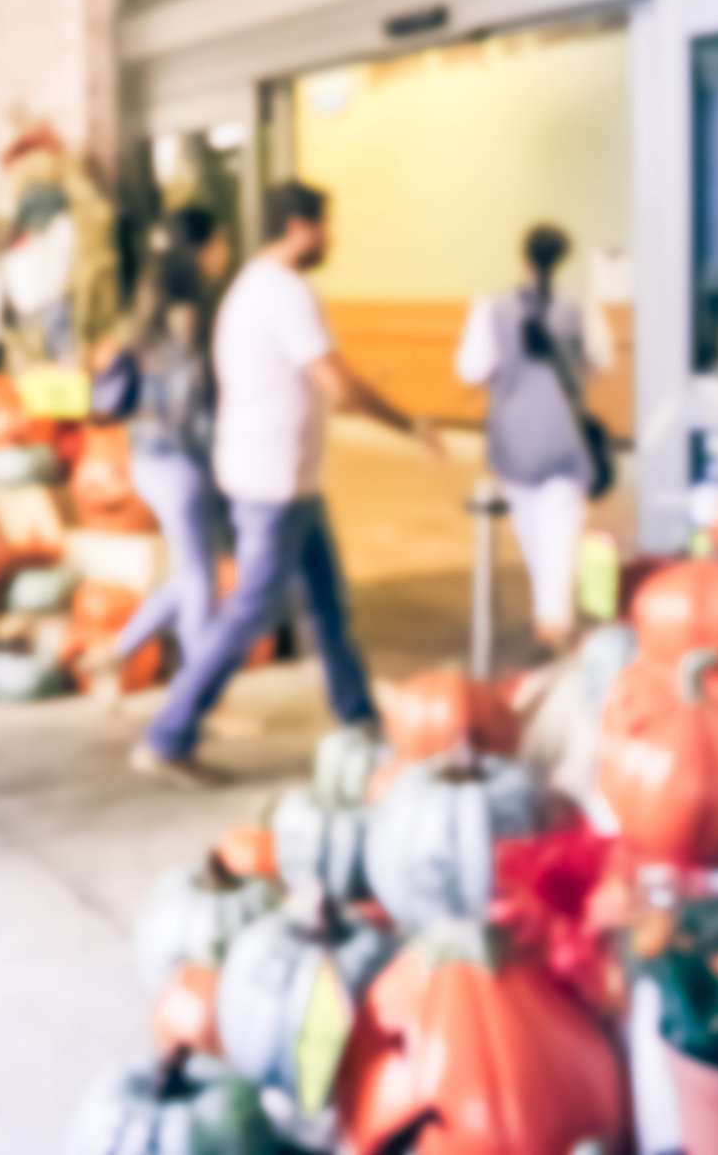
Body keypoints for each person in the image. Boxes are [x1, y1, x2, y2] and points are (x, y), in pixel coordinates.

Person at [135, 182, 443, 784]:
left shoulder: (248, 288)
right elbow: (339, 386)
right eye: (326, 225)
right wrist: (410, 425)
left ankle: (359, 720)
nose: (331, 238)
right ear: (300, 228)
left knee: (329, 606)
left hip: (282, 478)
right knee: (252, 609)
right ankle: (168, 733)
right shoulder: (284, 293)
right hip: (271, 482)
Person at [90, 207, 234, 683]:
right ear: (202, 247)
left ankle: (118, 651)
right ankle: (199, 697)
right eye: (220, 241)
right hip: (181, 460)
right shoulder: (185, 310)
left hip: (147, 456)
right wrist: (219, 457)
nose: (226, 252)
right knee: (200, 581)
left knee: (192, 574)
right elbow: (189, 397)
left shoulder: (147, 304)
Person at [455, 223, 612, 651]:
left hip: (512, 436)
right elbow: (600, 359)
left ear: (522, 257)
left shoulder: (491, 307)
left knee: (530, 525)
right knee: (561, 525)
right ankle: (553, 617)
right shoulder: (580, 307)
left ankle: (550, 614)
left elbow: (471, 369)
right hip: (566, 433)